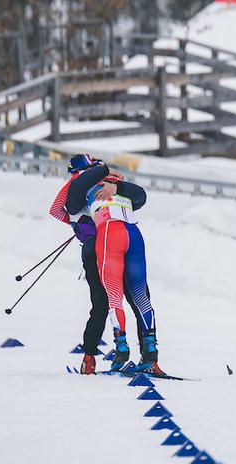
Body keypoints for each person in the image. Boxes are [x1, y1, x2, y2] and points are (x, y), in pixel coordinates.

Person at [49, 154, 162, 375]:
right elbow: (65, 205)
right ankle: (150, 356)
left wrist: (113, 187)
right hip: (129, 235)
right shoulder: (82, 180)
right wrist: (80, 222)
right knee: (138, 298)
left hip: (105, 239)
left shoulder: (101, 182)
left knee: (108, 300)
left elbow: (139, 195)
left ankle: (114, 353)